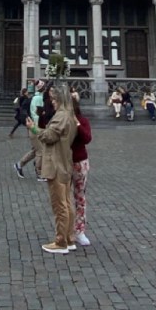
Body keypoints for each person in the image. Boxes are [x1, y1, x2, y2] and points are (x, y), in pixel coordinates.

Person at [26, 85, 77, 254]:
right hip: (64, 162)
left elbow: (49, 136)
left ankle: (60, 241)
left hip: (56, 163)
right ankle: (69, 238)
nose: (52, 103)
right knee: (67, 203)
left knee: (59, 205)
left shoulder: (61, 116)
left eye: (54, 99)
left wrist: (34, 128)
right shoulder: (69, 115)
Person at [70, 91, 93, 246]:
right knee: (65, 200)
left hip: (79, 162)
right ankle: (66, 233)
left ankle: (80, 231)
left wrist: (76, 124)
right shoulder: (59, 121)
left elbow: (86, 138)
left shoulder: (82, 120)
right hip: (63, 163)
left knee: (79, 197)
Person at [15, 80, 46, 180]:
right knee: (40, 151)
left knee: (35, 150)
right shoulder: (37, 98)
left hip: (36, 126)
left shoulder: (38, 97)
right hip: (35, 127)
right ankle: (39, 173)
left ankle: (19, 165)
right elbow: (37, 114)